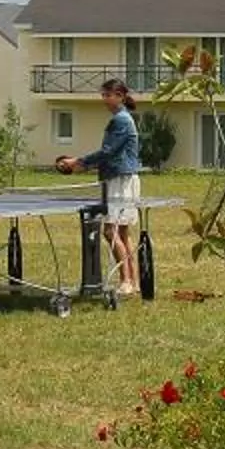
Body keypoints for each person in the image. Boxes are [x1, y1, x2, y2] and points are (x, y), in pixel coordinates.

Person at [57, 78, 144, 295]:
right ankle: (133, 282)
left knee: (110, 231)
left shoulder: (120, 120)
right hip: (124, 177)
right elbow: (110, 154)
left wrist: (78, 162)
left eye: (108, 95)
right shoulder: (123, 118)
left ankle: (126, 281)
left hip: (119, 179)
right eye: (103, 95)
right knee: (122, 232)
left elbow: (108, 152)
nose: (104, 99)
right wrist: (82, 165)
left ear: (120, 96)